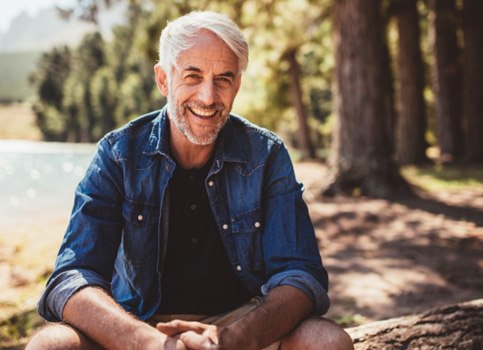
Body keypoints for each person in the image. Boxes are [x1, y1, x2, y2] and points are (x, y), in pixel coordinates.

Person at [27, 10, 353, 350]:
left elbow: (300, 275)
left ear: (237, 85)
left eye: (223, 79)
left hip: (242, 323)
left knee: (325, 341)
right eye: (193, 76)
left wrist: (230, 340)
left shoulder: (266, 155)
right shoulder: (118, 154)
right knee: (51, 344)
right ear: (164, 79)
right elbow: (72, 276)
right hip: (136, 323)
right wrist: (151, 343)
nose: (208, 97)